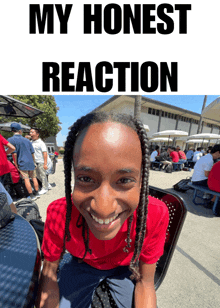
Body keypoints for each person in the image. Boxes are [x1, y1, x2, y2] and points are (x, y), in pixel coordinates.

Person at [36, 112, 169, 308]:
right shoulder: (60, 213)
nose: (104, 209)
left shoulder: (154, 214)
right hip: (80, 265)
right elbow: (49, 275)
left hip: (123, 270)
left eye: (124, 180)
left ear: (142, 182)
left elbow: (145, 283)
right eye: (86, 179)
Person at [7, 123, 39, 201]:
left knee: (26, 179)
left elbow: (14, 154)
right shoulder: (27, 140)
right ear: (20, 131)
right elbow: (32, 153)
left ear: (12, 131)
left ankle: (31, 196)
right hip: (30, 162)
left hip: (22, 162)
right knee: (34, 178)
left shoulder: (10, 140)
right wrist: (34, 162)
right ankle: (37, 193)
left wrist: (16, 164)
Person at [30, 128, 53, 194]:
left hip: (41, 161)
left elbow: (45, 153)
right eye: (30, 132)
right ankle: (47, 184)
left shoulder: (41, 143)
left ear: (37, 134)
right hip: (35, 162)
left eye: (32, 132)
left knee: (43, 175)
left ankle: (45, 188)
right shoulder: (32, 142)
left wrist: (45, 164)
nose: (30, 133)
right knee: (37, 175)